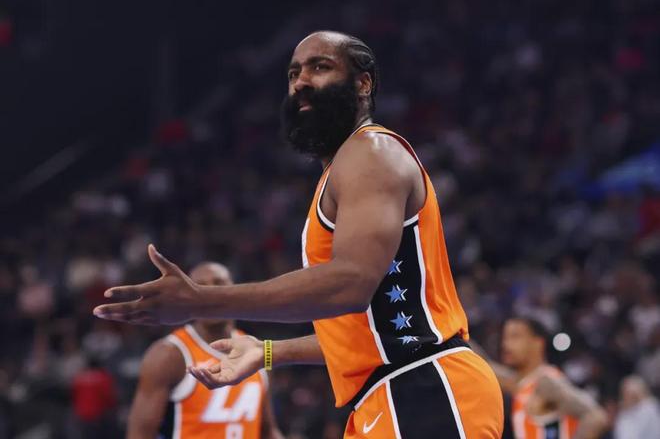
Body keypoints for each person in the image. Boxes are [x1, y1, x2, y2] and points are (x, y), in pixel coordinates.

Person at [95, 30, 504, 438]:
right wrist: (268, 351)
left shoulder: (370, 153)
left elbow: (351, 284)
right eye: (293, 74)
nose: (301, 82)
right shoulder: (346, 170)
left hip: (424, 386)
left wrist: (200, 300)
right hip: (393, 393)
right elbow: (368, 331)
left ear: (363, 83)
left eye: (320, 67)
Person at [126, 262, 283, 439]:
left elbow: (267, 430)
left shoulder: (256, 350)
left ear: (235, 290)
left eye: (218, 283)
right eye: (201, 287)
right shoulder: (169, 354)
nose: (210, 294)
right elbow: (140, 434)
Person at [475, 317, 608, 439]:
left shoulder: (547, 381)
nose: (506, 344)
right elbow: (482, 364)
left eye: (515, 337)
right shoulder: (521, 382)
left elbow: (596, 417)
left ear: (537, 343)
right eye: (505, 338)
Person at [613, 375, 660, 439]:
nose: (627, 397)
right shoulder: (624, 411)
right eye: (625, 394)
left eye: (631, 394)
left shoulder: (648, 408)